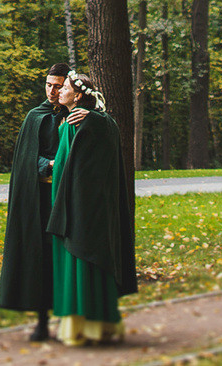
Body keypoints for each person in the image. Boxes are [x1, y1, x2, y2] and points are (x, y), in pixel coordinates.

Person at [45, 69, 137, 346]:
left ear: (79, 94)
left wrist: (95, 118)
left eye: (66, 88)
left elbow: (80, 162)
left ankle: (83, 328)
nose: (60, 90)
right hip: (76, 204)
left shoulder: (82, 120)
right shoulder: (76, 120)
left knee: (82, 261)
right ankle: (98, 327)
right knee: (81, 263)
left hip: (80, 208)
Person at [0, 63, 83, 340]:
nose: (52, 91)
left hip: (68, 197)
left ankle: (70, 319)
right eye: (48, 84)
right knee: (41, 255)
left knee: (67, 253)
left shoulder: (79, 115)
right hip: (40, 199)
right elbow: (25, 159)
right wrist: (49, 165)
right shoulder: (35, 116)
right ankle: (42, 320)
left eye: (59, 86)